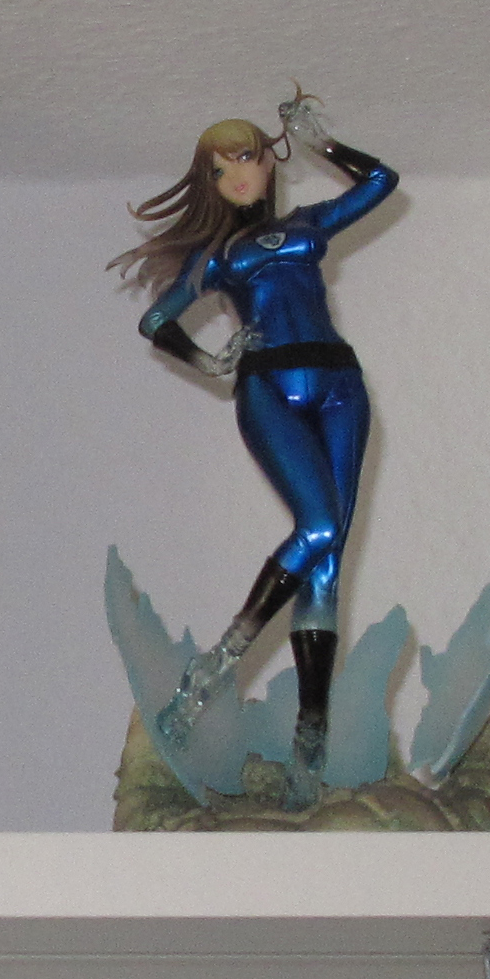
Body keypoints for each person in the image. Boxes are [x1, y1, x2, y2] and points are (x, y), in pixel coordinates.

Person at [112, 91, 399, 808]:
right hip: (269, 386)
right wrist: (209, 360)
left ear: (267, 164)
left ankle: (311, 738)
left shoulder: (306, 225)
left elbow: (381, 181)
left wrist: (321, 143)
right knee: (321, 527)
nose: (238, 175)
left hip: (340, 383)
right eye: (221, 169)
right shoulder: (217, 257)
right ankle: (218, 664)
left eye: (246, 158)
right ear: (210, 183)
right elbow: (157, 320)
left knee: (328, 565)